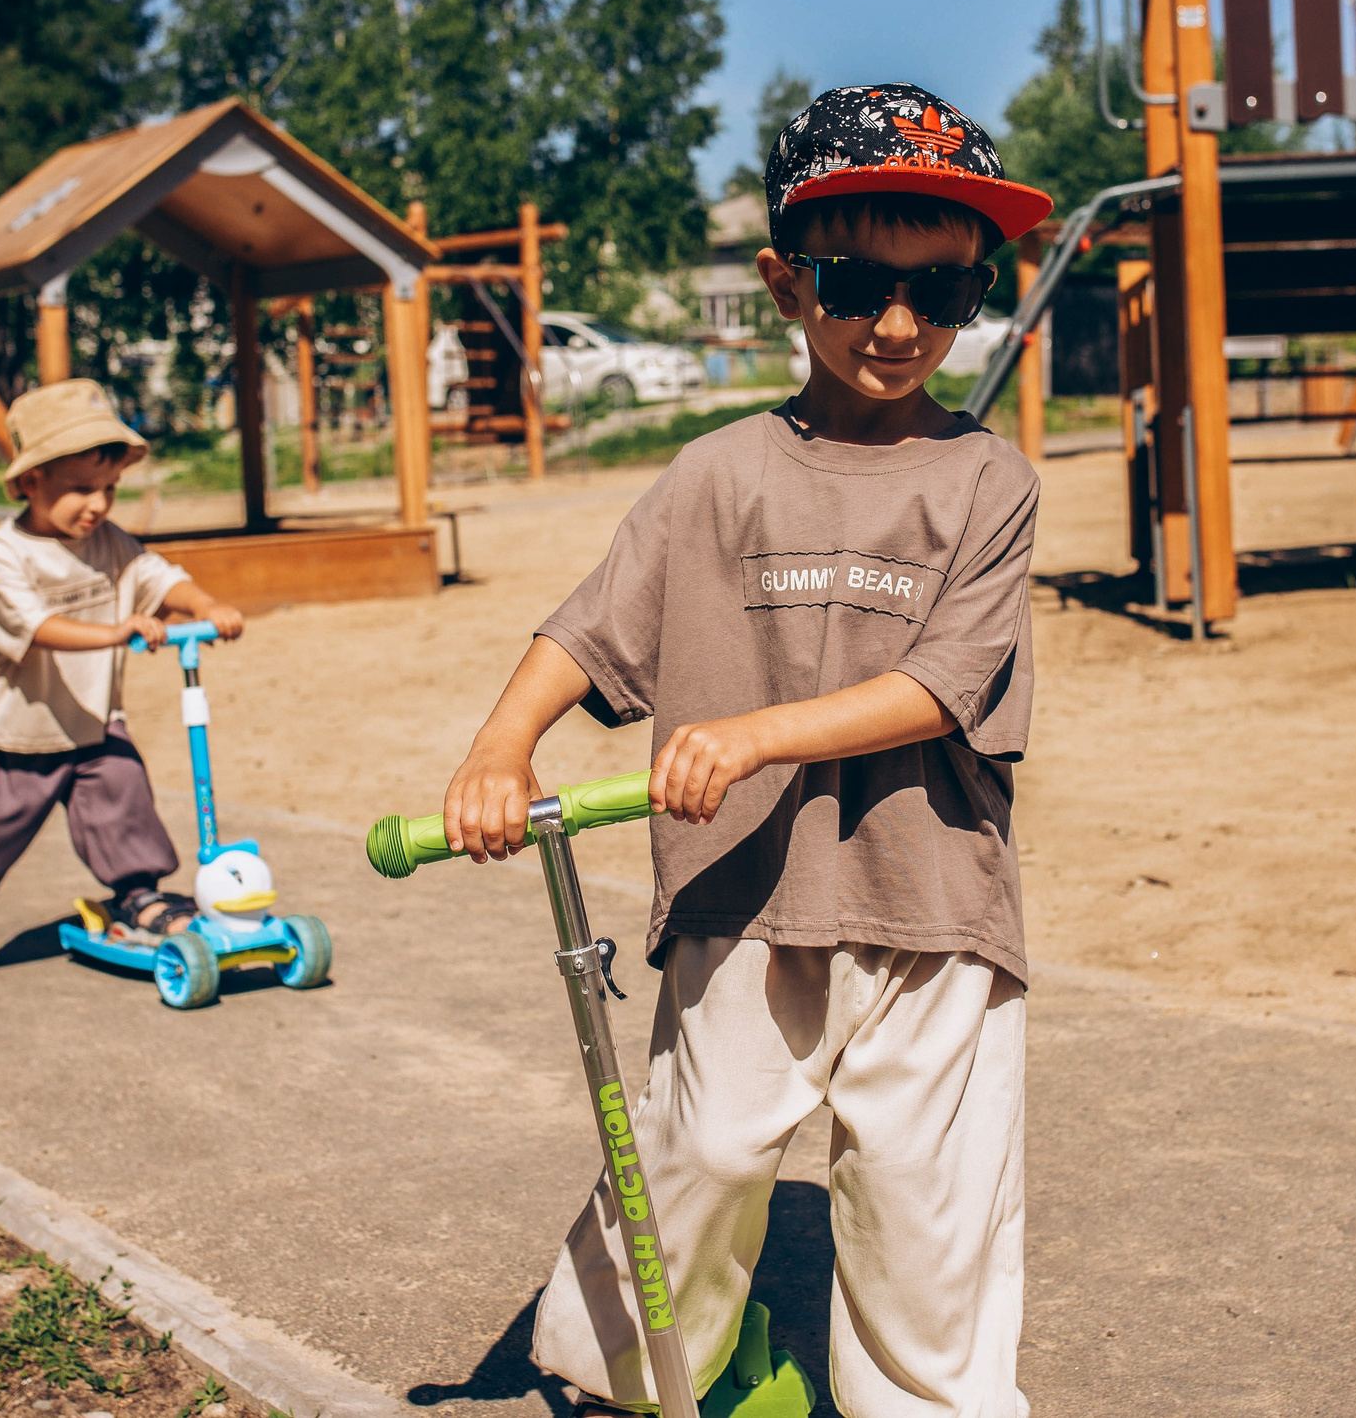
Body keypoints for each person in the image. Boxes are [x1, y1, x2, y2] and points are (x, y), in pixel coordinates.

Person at [443, 84, 1051, 1417]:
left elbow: (943, 685)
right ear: (786, 282)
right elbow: (592, 627)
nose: (899, 325)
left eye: (946, 290)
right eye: (857, 284)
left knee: (923, 1203)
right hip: (743, 893)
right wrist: (502, 742)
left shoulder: (987, 482)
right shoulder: (716, 473)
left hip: (933, 901)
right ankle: (636, 1373)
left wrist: (753, 733)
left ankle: (928, 1404)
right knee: (700, 1149)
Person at [0, 379, 245, 984]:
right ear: (31, 482)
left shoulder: (109, 543)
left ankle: (139, 893)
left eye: (108, 489)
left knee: (123, 799)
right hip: (15, 736)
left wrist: (204, 605)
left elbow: (158, 577)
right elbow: (37, 628)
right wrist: (117, 632)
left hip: (92, 722)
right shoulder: (5, 555)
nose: (98, 504)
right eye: (82, 489)